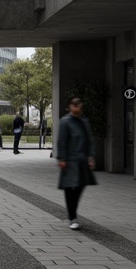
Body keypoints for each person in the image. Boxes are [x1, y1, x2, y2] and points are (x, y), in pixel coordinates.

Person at [56, 96, 98, 230]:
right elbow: (62, 141)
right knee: (70, 188)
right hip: (70, 160)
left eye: (78, 105)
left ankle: (73, 213)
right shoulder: (65, 122)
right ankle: (72, 217)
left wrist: (90, 157)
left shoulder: (83, 122)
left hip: (82, 160)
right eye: (74, 105)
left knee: (80, 186)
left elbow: (89, 140)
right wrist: (62, 158)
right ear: (70, 107)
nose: (76, 107)